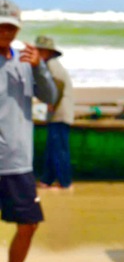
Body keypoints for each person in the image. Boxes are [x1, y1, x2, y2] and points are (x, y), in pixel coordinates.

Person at [0, 0, 58, 262]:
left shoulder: (25, 60)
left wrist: (41, 68)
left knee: (29, 224)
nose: (5, 31)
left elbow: (50, 98)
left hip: (20, 159)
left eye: (11, 26)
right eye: (1, 25)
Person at [35, 36, 74, 190]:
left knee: (59, 149)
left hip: (60, 112)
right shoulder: (49, 64)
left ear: (47, 52)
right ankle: (47, 179)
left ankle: (65, 182)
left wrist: (52, 102)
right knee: (52, 148)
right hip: (57, 113)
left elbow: (58, 83)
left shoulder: (51, 64)